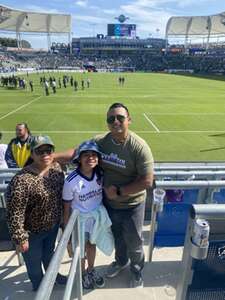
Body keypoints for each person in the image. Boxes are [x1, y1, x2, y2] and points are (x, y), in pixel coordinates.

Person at [55, 102, 154, 288]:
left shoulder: (139, 147)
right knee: (117, 237)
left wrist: (120, 192)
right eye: (111, 119)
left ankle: (136, 270)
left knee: (134, 241)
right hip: (108, 204)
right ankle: (121, 261)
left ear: (129, 120)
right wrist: (52, 157)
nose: (115, 121)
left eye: (120, 118)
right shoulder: (102, 141)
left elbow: (147, 181)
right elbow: (78, 152)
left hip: (132, 205)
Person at [6, 136, 67, 291]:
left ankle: (53, 275)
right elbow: (15, 213)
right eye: (40, 151)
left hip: (52, 227)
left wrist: (61, 222)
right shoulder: (21, 180)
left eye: (48, 150)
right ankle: (39, 286)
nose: (45, 154)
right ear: (32, 154)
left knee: (49, 256)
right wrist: (20, 238)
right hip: (31, 232)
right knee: (33, 263)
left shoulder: (56, 169)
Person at [63, 140, 114, 290]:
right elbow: (66, 209)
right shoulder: (71, 181)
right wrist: (66, 236)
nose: (90, 158)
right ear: (79, 158)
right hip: (79, 221)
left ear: (98, 158)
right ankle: (82, 274)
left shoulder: (100, 174)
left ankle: (91, 270)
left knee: (92, 245)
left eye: (94, 155)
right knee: (80, 251)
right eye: (86, 155)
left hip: (96, 218)